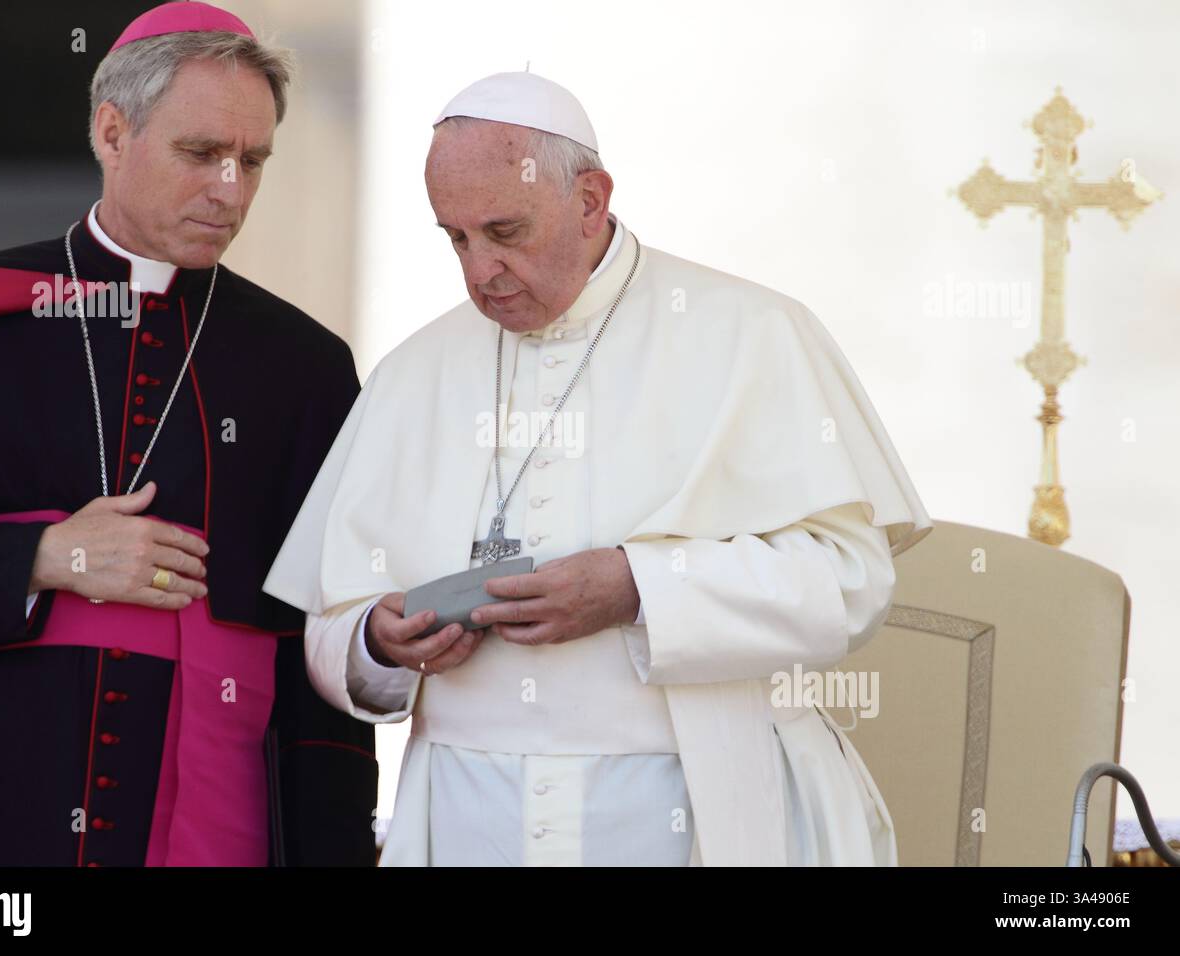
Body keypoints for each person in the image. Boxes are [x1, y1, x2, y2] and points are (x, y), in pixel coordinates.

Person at [265, 70, 933, 866]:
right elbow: (333, 625)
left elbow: (850, 583)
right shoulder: (416, 371)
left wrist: (637, 588)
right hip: (468, 817)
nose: (480, 272)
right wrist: (381, 641)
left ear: (590, 200)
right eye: (456, 238)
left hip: (691, 803)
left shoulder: (751, 333)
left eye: (505, 231)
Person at [0, 1, 375, 866]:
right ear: (112, 131)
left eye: (253, 161)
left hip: (217, 814)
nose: (232, 189)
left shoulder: (304, 368)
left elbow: (319, 659)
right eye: (200, 154)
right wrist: (43, 557)